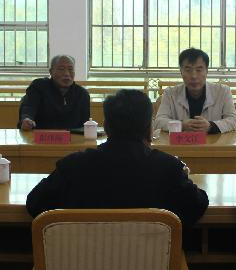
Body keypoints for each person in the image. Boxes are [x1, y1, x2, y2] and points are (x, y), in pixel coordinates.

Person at [26, 89, 209, 229]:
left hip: (83, 264)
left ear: (106, 127)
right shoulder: (169, 168)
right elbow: (197, 205)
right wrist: (184, 177)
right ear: (149, 128)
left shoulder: (73, 165)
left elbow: (35, 203)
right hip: (151, 266)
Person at [153, 48, 236, 134]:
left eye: (199, 70)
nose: (194, 76)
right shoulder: (170, 93)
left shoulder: (222, 91)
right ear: (181, 72)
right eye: (188, 70)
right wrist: (181, 125)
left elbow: (234, 121)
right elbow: (159, 122)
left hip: (213, 142)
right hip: (181, 142)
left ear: (207, 71)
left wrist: (210, 126)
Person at [18, 54, 90, 130]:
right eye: (61, 69)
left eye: (70, 69)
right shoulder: (39, 87)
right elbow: (29, 107)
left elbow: (84, 126)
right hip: (40, 135)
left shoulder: (82, 94)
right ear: (51, 72)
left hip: (72, 137)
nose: (67, 74)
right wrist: (27, 119)